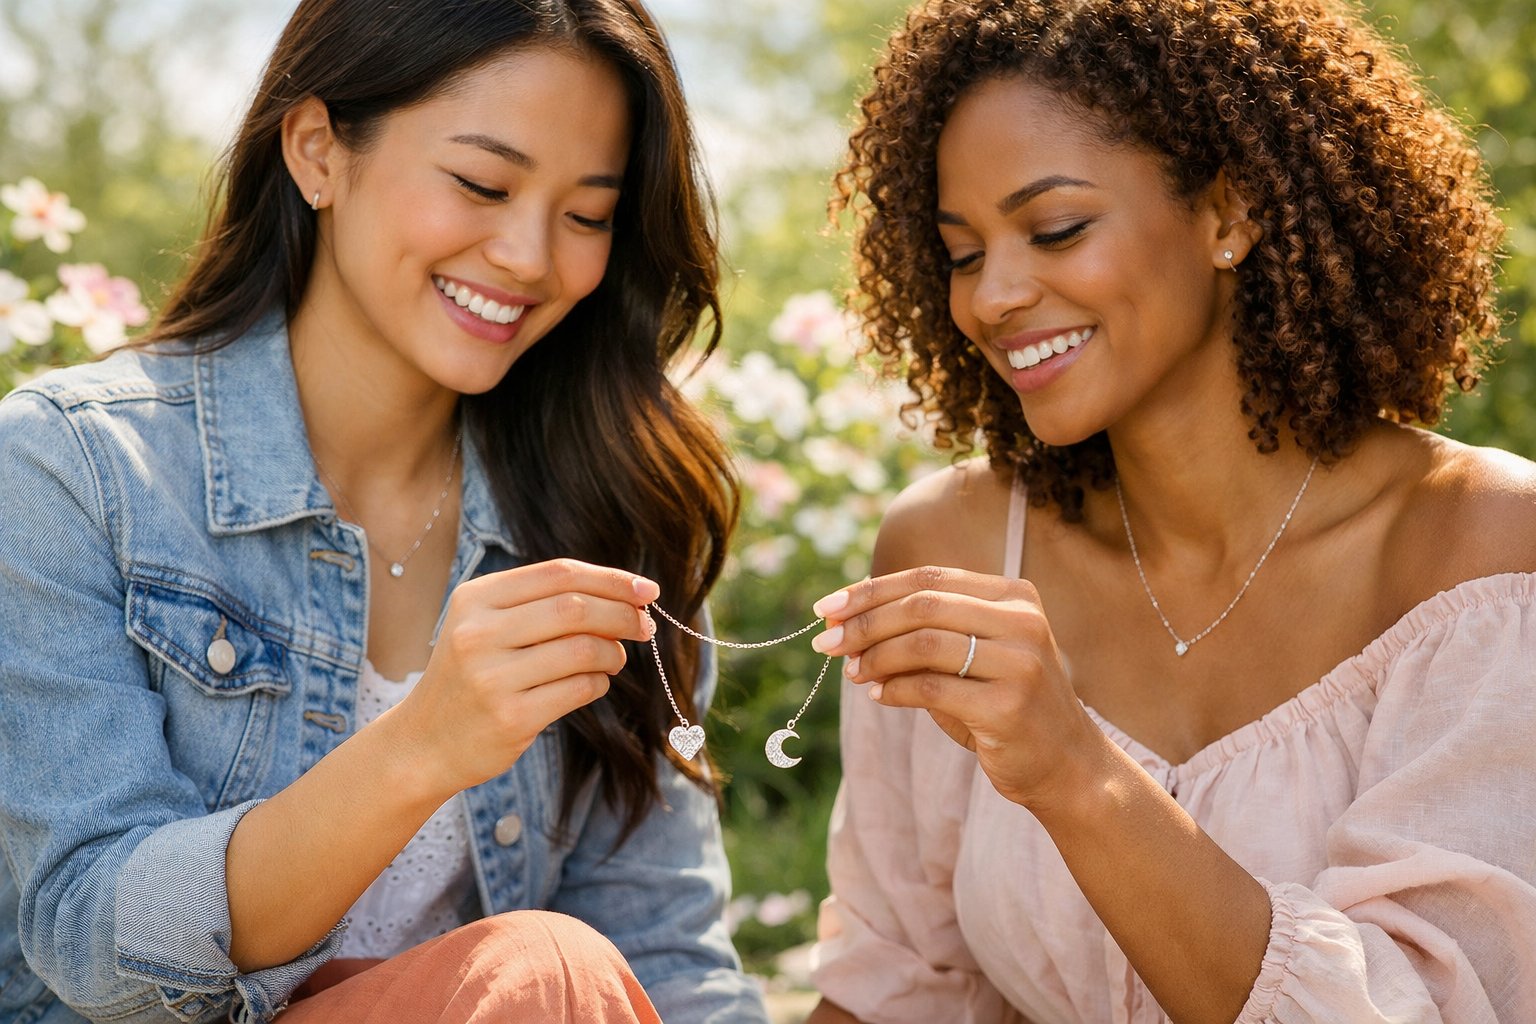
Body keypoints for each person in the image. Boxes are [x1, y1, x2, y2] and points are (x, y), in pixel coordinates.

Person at [0, 2, 771, 1022]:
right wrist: (422, 745)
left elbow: (665, 958)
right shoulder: (76, 469)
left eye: (587, 215)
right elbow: (91, 945)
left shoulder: (613, 517)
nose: (532, 257)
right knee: (543, 973)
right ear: (318, 151)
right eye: (482, 184)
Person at [803, 1, 1536, 1021]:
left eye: (1054, 228)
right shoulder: (953, 548)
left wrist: (1072, 769)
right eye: (963, 253)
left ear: (1228, 213)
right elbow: (894, 989)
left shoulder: (1479, 553)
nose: (993, 297)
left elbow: (1432, 1004)